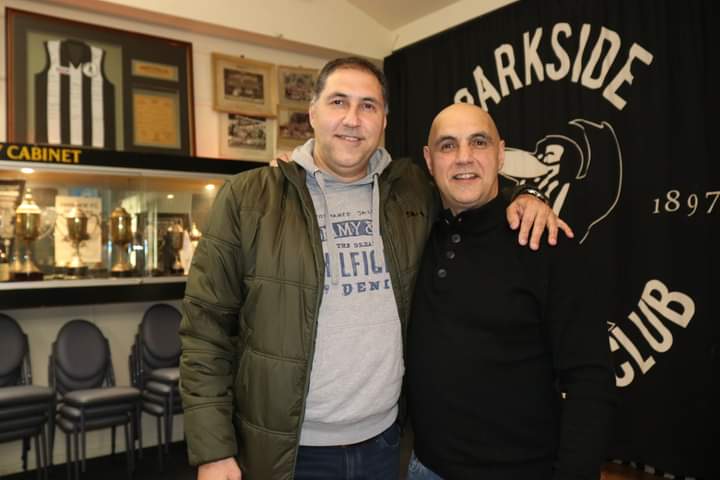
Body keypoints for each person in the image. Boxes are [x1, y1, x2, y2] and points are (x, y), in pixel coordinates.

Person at [180, 57, 568, 480]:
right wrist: (214, 451)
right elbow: (205, 331)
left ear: (383, 120)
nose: (352, 118)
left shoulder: (411, 192)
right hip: (288, 451)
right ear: (312, 113)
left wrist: (524, 197)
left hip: (386, 446)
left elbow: (469, 182)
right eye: (338, 102)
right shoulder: (249, 199)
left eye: (368, 105)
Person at [406, 103, 615, 480]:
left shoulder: (545, 241)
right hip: (423, 467)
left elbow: (590, 378)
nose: (464, 157)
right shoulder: (414, 231)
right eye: (448, 145)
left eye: (479, 142)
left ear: (501, 154)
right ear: (429, 159)